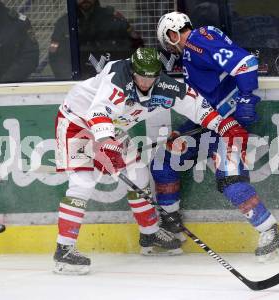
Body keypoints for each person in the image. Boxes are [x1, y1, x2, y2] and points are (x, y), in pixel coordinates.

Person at [53, 47, 246, 275]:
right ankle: (64, 249)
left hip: (111, 130)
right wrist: (106, 142)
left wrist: (223, 125)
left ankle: (150, 234)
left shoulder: (165, 86)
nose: (145, 82)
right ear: (133, 70)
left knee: (138, 174)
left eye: (151, 77)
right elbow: (98, 111)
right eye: (141, 76)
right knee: (83, 182)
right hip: (78, 123)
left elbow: (195, 106)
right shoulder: (118, 75)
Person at [153, 12, 279, 262]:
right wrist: (182, 130)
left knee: (229, 179)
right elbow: (205, 99)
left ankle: (270, 231)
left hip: (231, 124)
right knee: (164, 160)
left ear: (172, 34)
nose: (172, 50)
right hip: (210, 122)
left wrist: (247, 97)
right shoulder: (196, 48)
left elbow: (246, 62)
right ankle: (171, 226)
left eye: (168, 42)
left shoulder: (196, 41)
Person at [49, 0, 144, 80]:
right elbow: (56, 57)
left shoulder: (113, 19)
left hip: (111, 82)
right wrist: (69, 79)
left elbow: (135, 47)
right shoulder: (64, 23)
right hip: (78, 82)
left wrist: (119, 77)